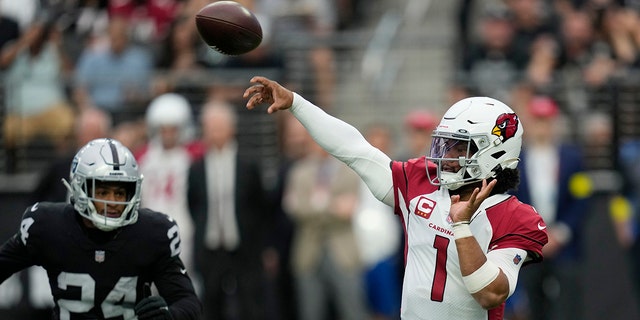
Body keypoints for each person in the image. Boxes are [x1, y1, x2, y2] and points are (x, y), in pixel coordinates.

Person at [243, 76, 549, 319]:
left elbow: (490, 294)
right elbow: (355, 150)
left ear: (494, 153)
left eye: (459, 148)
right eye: (445, 146)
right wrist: (296, 104)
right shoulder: (421, 181)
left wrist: (461, 227)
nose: (446, 157)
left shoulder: (516, 217)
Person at [0, 138, 202, 320]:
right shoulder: (48, 225)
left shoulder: (152, 233)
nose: (112, 202)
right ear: (80, 188)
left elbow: (189, 303)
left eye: (120, 193)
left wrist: (170, 315)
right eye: (103, 191)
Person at [186, 99, 269, 320]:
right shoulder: (197, 167)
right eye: (210, 128)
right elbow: (193, 203)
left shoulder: (248, 165)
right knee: (211, 306)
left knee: (249, 305)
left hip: (243, 247)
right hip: (210, 247)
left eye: (220, 127)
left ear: (232, 128)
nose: (215, 133)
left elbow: (260, 206)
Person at [283, 137, 368, 320]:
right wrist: (331, 206)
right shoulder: (299, 172)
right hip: (307, 252)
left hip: (343, 252)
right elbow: (293, 208)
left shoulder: (349, 172)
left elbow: (348, 209)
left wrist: (316, 204)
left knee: (353, 309)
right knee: (310, 311)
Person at [136, 93, 204, 285]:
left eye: (172, 129)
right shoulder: (144, 157)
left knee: (183, 281)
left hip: (184, 227)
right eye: (163, 129)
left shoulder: (192, 156)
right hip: (149, 224)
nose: (167, 135)